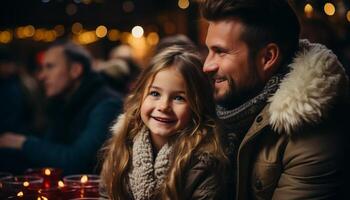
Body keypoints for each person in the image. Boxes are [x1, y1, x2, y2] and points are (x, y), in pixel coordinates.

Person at [201, 0, 349, 199]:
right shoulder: (213, 106)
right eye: (209, 50)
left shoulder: (315, 138)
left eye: (221, 52)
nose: (207, 66)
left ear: (268, 58)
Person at [100, 46, 229, 200]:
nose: (163, 106)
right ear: (141, 97)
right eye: (155, 93)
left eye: (179, 98)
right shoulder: (121, 147)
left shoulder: (205, 162)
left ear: (198, 105)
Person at [0, 40, 122, 174]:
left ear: (75, 70)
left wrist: (23, 143)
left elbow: (78, 162)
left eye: (50, 67)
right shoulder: (62, 102)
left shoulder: (107, 104)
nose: (41, 76)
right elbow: (50, 148)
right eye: (42, 68)